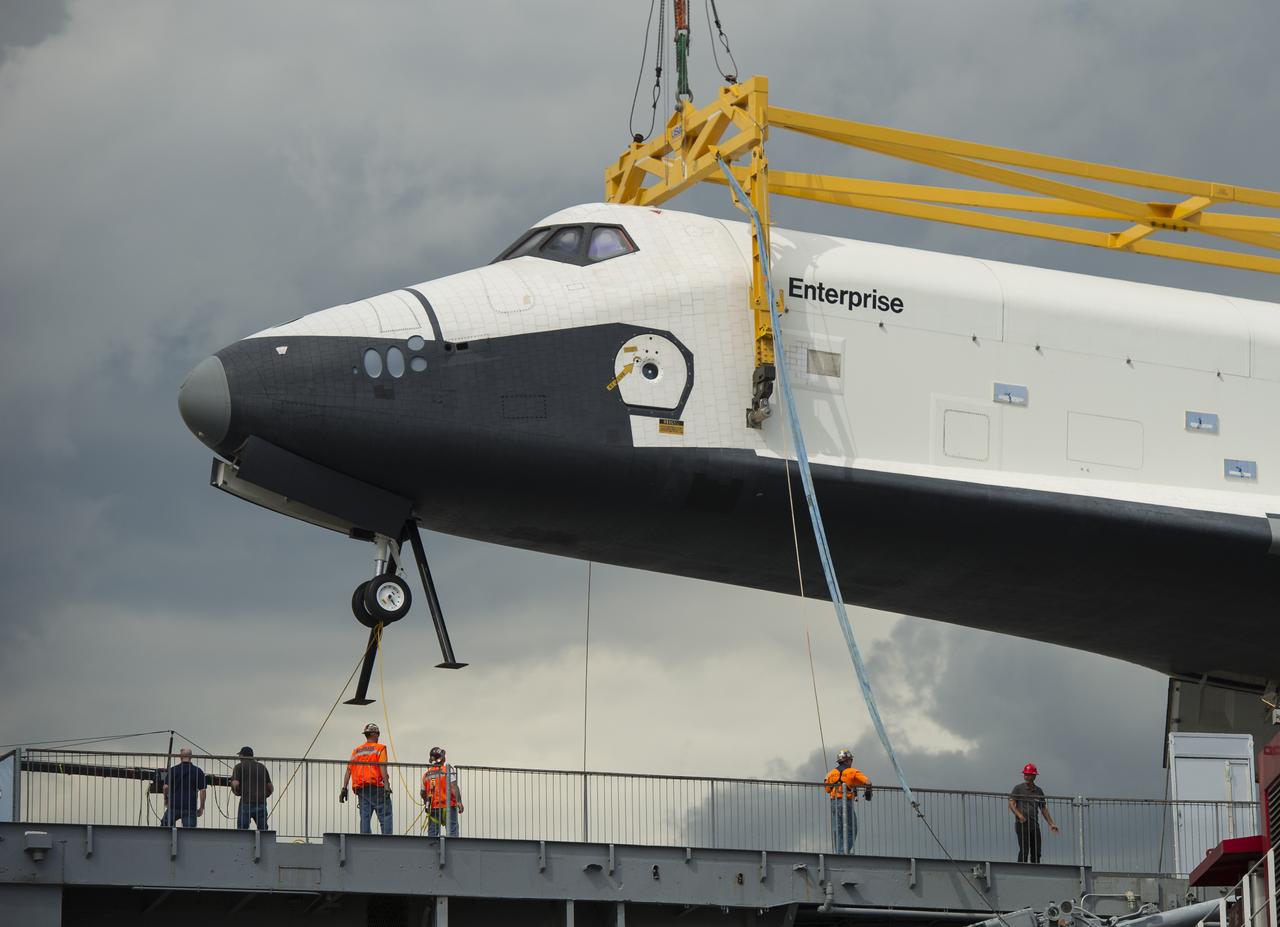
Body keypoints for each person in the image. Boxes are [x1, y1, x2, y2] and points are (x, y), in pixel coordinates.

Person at [339, 722, 392, 834]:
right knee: (385, 815)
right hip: (377, 787)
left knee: (365, 817)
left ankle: (365, 841)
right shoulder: (380, 748)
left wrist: (344, 788)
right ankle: (388, 841)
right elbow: (382, 766)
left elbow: (349, 770)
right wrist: (387, 785)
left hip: (361, 789)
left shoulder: (357, 751)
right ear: (375, 734)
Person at [1008, 762, 1060, 863]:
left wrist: (1051, 824)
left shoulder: (1038, 791)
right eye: (1025, 774)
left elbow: (1043, 808)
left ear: (1034, 776)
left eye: (1028, 774)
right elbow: (1011, 803)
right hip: (1022, 824)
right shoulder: (1018, 788)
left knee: (1036, 851)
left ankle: (1036, 870)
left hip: (1034, 825)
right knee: (1024, 851)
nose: (1026, 776)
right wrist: (1019, 815)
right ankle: (1021, 871)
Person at [824, 748, 871, 854]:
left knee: (838, 829)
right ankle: (843, 852)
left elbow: (827, 789)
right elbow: (868, 782)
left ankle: (839, 852)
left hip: (834, 802)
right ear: (848, 761)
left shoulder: (831, 773)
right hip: (846, 801)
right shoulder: (853, 772)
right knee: (852, 829)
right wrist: (868, 792)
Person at [420, 746, 464, 837]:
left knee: (432, 834)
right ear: (441, 758)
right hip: (448, 806)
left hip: (433, 808)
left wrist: (426, 802)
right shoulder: (447, 770)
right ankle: (454, 849)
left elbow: (422, 792)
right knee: (453, 832)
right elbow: (453, 787)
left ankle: (431, 850)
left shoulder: (426, 774)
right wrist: (459, 801)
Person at [159, 748, 207, 828]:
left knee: (164, 828)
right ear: (191, 757)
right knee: (189, 834)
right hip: (190, 807)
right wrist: (202, 808)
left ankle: (166, 840)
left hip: (174, 805)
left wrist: (166, 799)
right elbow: (203, 791)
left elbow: (165, 787)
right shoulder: (198, 771)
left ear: (180, 757)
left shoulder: (173, 770)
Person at [230, 746, 273, 831]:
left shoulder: (239, 767)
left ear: (242, 755)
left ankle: (243, 844)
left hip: (246, 802)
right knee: (263, 830)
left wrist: (237, 792)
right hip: (261, 802)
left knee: (242, 830)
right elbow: (270, 787)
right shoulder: (262, 767)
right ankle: (264, 843)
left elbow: (235, 784)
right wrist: (265, 796)